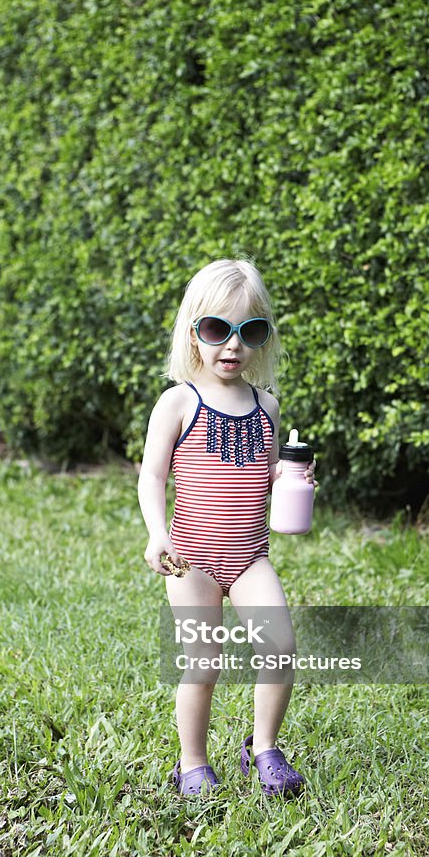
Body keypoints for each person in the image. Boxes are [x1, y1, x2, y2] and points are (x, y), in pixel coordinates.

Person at [137, 258, 316, 797]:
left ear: (263, 338)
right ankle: (191, 761)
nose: (232, 345)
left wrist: (298, 479)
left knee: (280, 646)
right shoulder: (178, 402)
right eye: (218, 329)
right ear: (194, 333)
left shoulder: (267, 407)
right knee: (203, 662)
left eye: (250, 331)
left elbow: (270, 477)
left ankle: (262, 748)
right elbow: (152, 475)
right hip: (190, 559)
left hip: (250, 558)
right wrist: (156, 532)